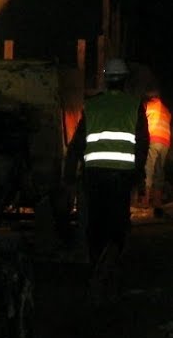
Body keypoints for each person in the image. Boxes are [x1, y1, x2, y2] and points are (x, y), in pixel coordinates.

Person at [63, 57, 149, 303]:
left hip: (94, 176)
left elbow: (76, 144)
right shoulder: (135, 106)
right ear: (124, 80)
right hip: (121, 177)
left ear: (106, 79)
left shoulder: (92, 106)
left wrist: (69, 176)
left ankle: (96, 269)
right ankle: (111, 269)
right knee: (118, 223)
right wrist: (138, 174)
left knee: (96, 224)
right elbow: (142, 145)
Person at [141, 85, 172, 218]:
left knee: (149, 168)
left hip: (153, 138)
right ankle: (157, 201)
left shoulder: (148, 106)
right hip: (165, 141)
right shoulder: (166, 110)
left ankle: (146, 200)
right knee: (160, 170)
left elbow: (141, 123)